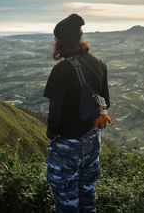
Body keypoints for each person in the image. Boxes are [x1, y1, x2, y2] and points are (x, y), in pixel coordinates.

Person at [44, 13, 110, 213]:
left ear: (61, 42)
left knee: (66, 198)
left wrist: (53, 135)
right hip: (92, 139)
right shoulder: (99, 63)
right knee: (88, 192)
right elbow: (106, 102)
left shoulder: (61, 70)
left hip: (67, 143)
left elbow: (55, 114)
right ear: (80, 37)